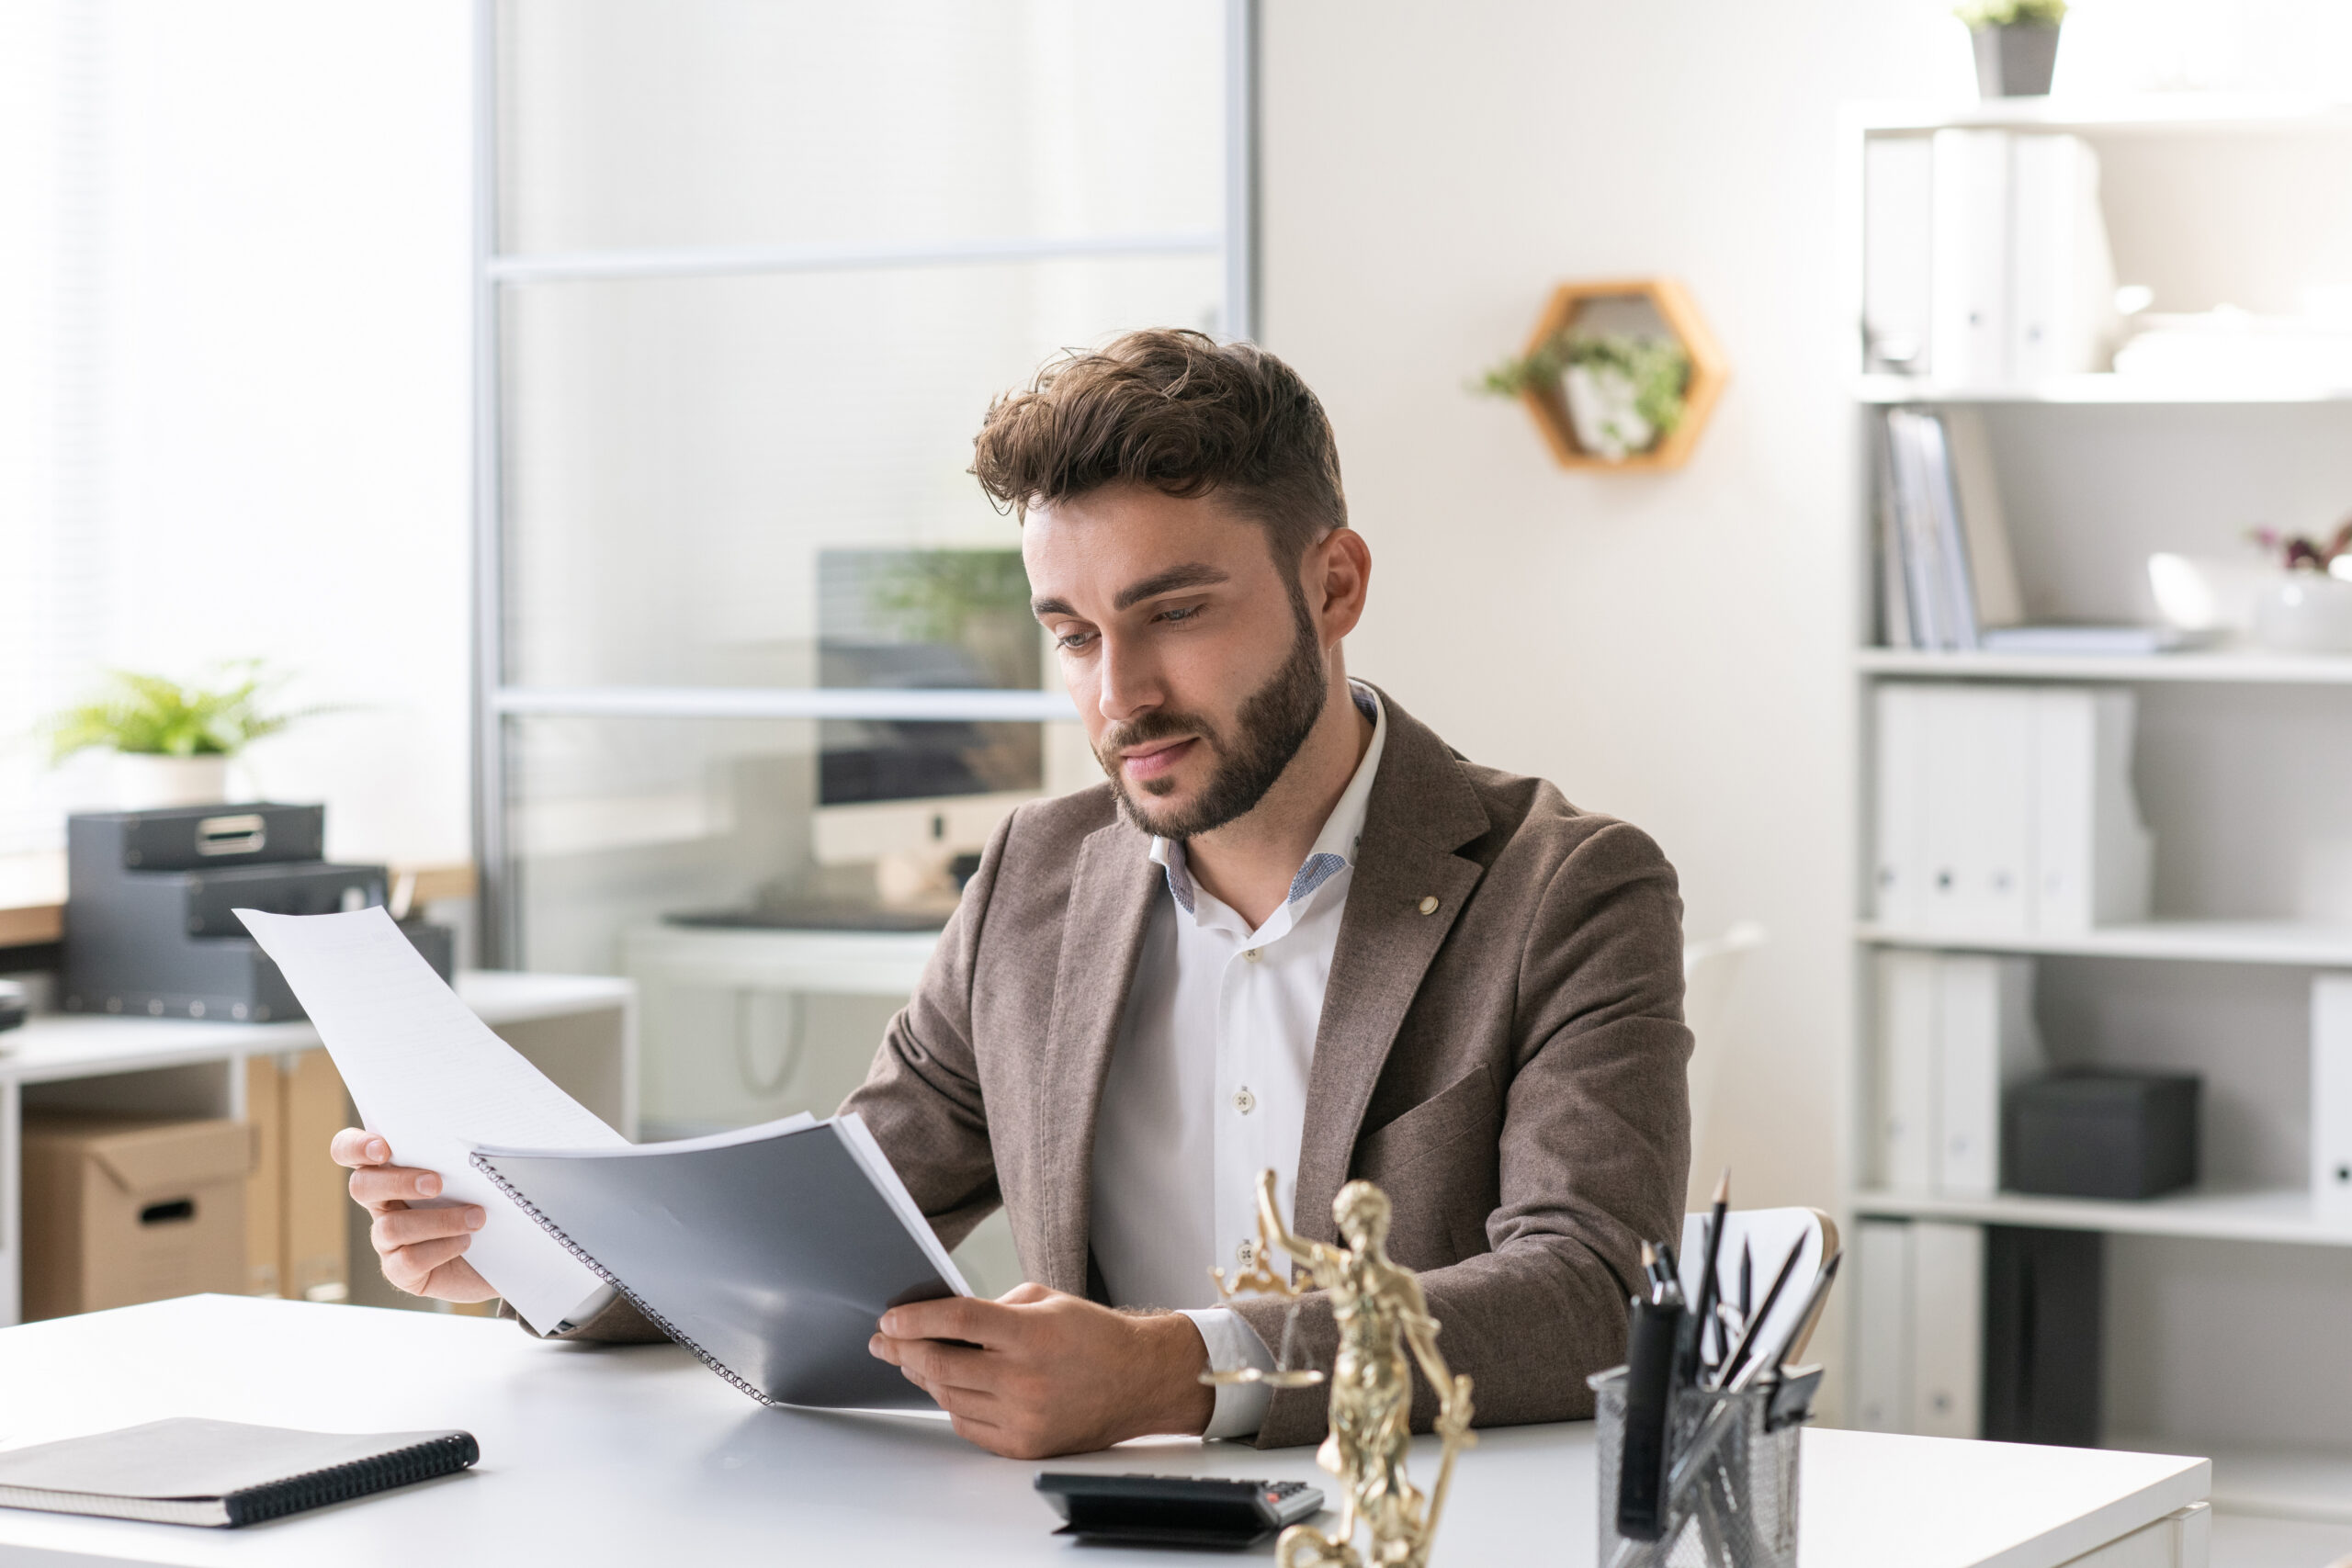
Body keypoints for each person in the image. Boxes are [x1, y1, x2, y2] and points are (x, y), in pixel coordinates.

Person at [334, 328, 1691, 1461]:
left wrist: (1175, 1373)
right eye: (1074, 635)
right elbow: (835, 1233)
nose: (1120, 695)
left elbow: (1588, 1290)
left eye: (1175, 613)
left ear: (1333, 585)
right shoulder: (1036, 878)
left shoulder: (1565, 887)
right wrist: (542, 1259)